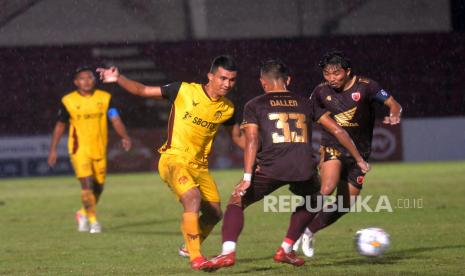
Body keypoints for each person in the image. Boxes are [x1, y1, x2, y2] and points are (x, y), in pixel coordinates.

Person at [204, 59, 370, 271]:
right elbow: (338, 131)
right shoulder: (306, 103)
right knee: (315, 199)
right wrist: (358, 159)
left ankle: (227, 253)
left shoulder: (254, 105)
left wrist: (247, 177)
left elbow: (252, 141)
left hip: (271, 168)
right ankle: (286, 248)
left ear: (263, 83)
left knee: (237, 200)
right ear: (288, 80)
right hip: (303, 169)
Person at [96, 55, 245, 270]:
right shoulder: (183, 90)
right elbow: (142, 91)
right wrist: (118, 78)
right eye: (222, 78)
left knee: (214, 213)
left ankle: (187, 247)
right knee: (192, 198)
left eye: (232, 80)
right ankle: (196, 258)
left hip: (200, 167)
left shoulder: (227, 108)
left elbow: (238, 137)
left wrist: (259, 154)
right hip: (173, 159)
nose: (227, 84)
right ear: (210, 76)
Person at [293, 50, 402, 257]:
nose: (331, 79)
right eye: (327, 74)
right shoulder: (320, 92)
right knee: (327, 187)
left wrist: (394, 114)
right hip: (332, 146)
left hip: (360, 152)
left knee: (345, 204)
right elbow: (306, 117)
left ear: (348, 71)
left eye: (336, 73)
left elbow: (393, 104)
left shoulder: (368, 86)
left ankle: (308, 231)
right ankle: (295, 229)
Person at [48, 66, 132, 234]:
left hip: (99, 149)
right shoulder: (68, 101)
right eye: (82, 78)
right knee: (87, 185)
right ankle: (93, 222)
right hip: (79, 149)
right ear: (76, 82)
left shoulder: (105, 98)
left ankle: (82, 213)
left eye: (89, 78)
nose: (86, 81)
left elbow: (115, 119)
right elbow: (60, 125)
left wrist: (125, 136)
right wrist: (53, 149)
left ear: (94, 80)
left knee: (98, 187)